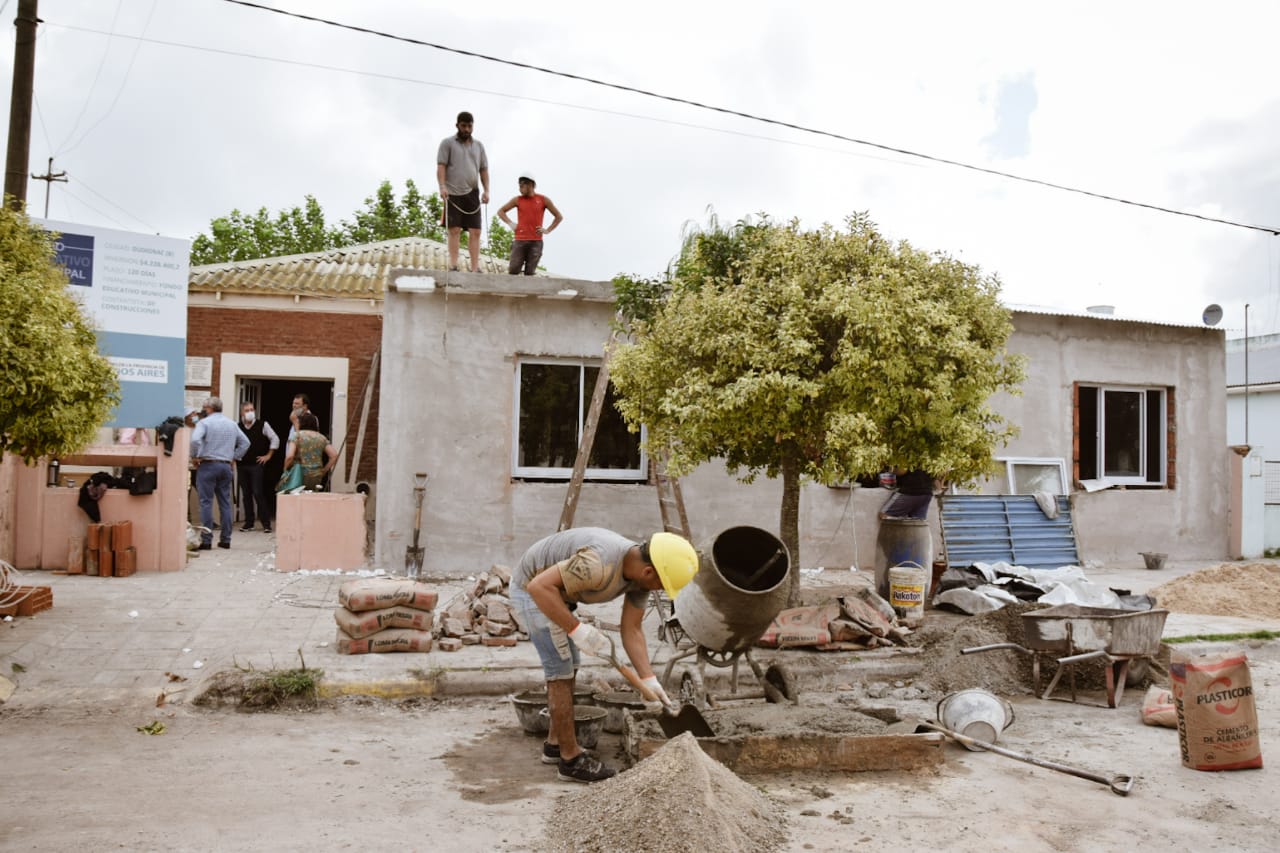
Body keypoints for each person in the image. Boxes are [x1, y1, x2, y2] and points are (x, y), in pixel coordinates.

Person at [510, 528, 699, 783]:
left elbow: (632, 629)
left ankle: (556, 744)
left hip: (556, 591)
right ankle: (570, 761)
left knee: (571, 665)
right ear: (648, 572)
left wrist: (649, 679)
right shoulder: (598, 564)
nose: (660, 590)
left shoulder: (639, 578)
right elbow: (538, 587)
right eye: (662, 585)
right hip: (531, 590)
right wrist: (577, 629)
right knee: (560, 669)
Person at [190, 396, 250, 550]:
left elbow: (195, 440)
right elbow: (245, 443)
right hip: (225, 466)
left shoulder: (204, 423)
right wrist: (234, 457)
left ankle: (207, 540)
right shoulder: (232, 424)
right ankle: (225, 539)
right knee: (225, 503)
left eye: (205, 408)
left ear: (209, 408)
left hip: (207, 465)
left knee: (206, 503)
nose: (204, 410)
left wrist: (195, 456)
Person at [436, 110, 490, 272]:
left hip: (472, 192)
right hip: (452, 193)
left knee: (476, 230)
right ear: (457, 125)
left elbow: (484, 170)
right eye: (464, 126)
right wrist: (442, 186)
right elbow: (441, 166)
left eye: (469, 126)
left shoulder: (479, 146)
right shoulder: (447, 143)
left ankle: (475, 268)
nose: (467, 129)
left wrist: (487, 190)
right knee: (454, 230)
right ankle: (453, 265)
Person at [497, 172, 564, 275]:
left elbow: (558, 217)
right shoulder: (517, 200)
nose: (520, 188)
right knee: (513, 270)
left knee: (529, 272)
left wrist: (547, 230)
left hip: (536, 242)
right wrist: (510, 223)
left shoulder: (543, 200)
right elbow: (501, 211)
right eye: (519, 185)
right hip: (520, 240)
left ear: (531, 184)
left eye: (522, 185)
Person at [237, 401, 279, 533]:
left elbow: (275, 439)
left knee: (258, 492)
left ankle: (266, 523)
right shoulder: (237, 426)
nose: (250, 412)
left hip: (256, 465)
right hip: (242, 465)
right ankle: (249, 523)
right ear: (241, 413)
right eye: (247, 410)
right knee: (246, 494)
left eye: (252, 409)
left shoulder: (262, 424)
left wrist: (268, 455)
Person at [283, 412, 338, 490]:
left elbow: (290, 456)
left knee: (296, 496)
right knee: (311, 496)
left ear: (301, 423)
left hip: (298, 474)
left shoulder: (296, 436)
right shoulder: (321, 438)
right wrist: (323, 471)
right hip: (316, 476)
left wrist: (285, 470)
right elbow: (334, 455)